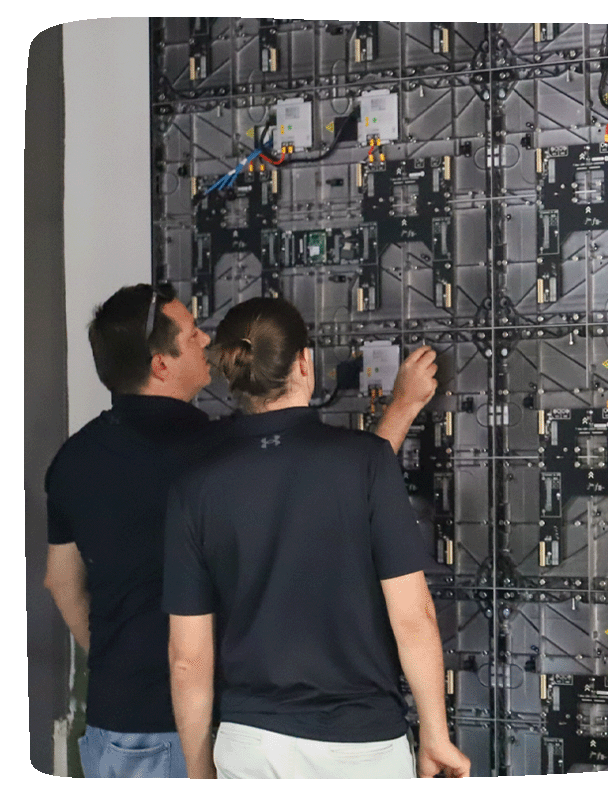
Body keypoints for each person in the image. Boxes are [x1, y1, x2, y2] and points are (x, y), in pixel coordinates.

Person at [43, 282, 438, 778]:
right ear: (161, 364)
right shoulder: (216, 454)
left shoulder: (71, 460)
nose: (206, 340)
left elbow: (61, 582)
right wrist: (401, 408)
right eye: (191, 335)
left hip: (114, 725)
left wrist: (123, 661)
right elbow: (338, 489)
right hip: (199, 725)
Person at [162, 296, 470, 779]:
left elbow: (187, 659)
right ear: (305, 362)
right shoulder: (366, 462)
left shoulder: (193, 488)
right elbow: (414, 617)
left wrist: (202, 775)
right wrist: (435, 733)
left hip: (251, 744)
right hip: (362, 746)